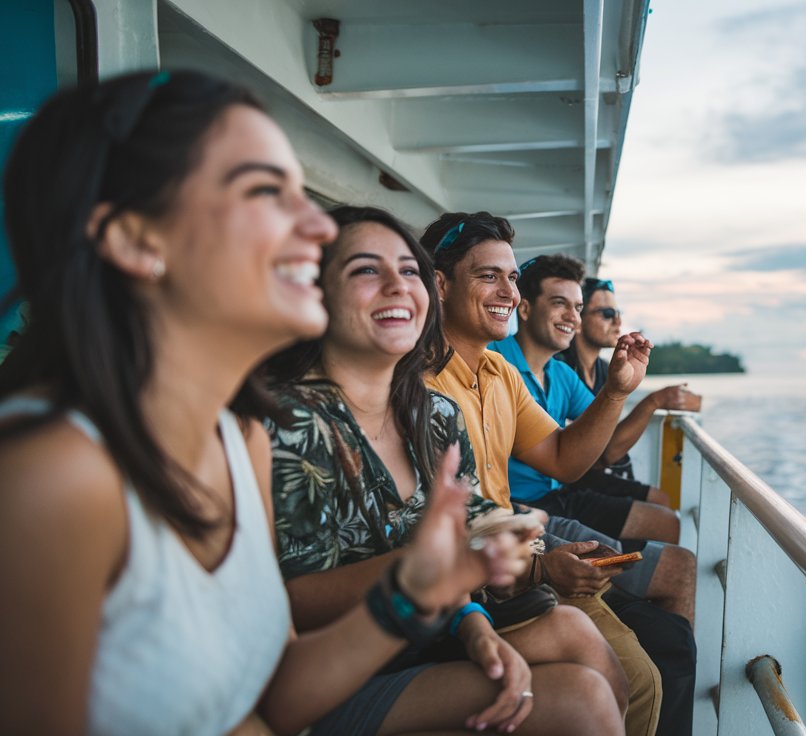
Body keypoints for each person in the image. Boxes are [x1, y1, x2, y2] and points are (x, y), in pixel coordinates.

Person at [0, 70, 582, 736]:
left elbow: (273, 701)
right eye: (265, 192)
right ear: (138, 240)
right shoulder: (50, 478)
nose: (314, 224)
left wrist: (410, 594)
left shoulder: (236, 439)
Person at [261, 205, 630, 734]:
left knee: (586, 657)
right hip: (343, 667)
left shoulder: (433, 413)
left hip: (436, 631)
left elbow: (467, 536)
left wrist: (476, 624)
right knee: (581, 700)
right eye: (367, 269)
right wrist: (429, 573)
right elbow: (292, 598)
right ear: (317, 292)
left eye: (407, 270)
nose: (397, 285)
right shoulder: (286, 423)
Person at [422, 212, 698, 736]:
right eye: (489, 276)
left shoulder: (499, 373)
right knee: (633, 678)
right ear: (439, 283)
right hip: (480, 584)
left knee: (646, 676)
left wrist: (618, 390)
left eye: (511, 276)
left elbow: (565, 458)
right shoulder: (418, 384)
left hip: (519, 556)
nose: (509, 290)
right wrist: (543, 567)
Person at [491, 254, 679, 543]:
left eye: (578, 307)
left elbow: (604, 439)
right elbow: (604, 455)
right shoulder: (494, 360)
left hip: (559, 491)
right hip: (515, 503)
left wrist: (620, 390)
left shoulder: (562, 374)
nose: (572, 317)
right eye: (559, 304)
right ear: (525, 309)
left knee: (666, 524)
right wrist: (646, 401)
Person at [558, 277, 701, 496]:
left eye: (618, 313)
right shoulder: (563, 369)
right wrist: (655, 401)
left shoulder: (605, 370)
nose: (617, 322)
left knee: (662, 503)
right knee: (661, 507)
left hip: (604, 477)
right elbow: (607, 452)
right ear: (578, 319)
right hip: (575, 483)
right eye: (607, 314)